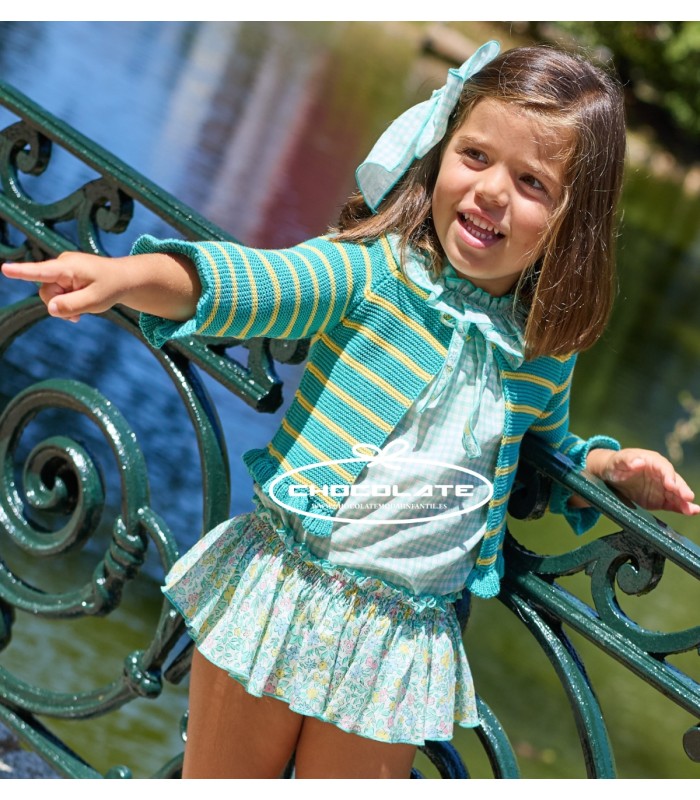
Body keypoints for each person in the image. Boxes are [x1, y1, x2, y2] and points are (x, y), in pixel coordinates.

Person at [3, 40, 699, 779]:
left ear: (572, 222)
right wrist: (122, 274)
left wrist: (610, 469)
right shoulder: (372, 273)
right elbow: (245, 284)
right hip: (287, 592)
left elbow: (542, 454)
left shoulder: (542, 351)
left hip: (401, 644)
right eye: (475, 156)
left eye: (531, 182)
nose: (492, 191)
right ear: (438, 152)